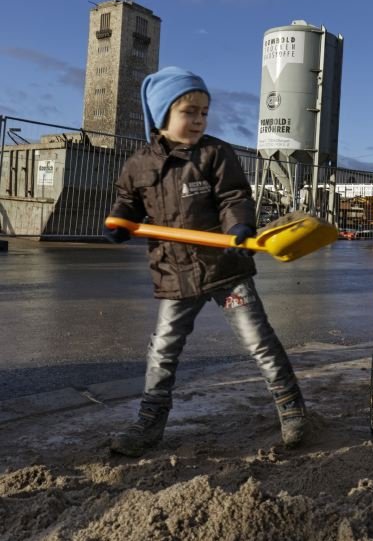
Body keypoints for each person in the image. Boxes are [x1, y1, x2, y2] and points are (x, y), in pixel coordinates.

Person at [103, 67, 307, 456]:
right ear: (162, 115)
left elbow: (233, 196)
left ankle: (291, 408)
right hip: (174, 272)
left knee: (258, 340)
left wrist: (240, 226)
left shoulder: (215, 153)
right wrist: (119, 222)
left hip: (224, 267)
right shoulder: (139, 164)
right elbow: (128, 201)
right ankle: (149, 422)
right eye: (189, 112)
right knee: (163, 349)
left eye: (204, 112)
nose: (199, 120)